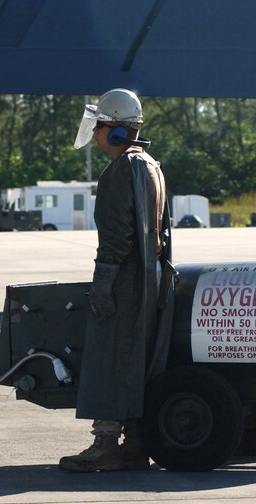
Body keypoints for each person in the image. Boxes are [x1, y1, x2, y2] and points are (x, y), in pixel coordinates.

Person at [59, 88, 167, 473]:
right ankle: (136, 445)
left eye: (101, 127)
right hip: (148, 279)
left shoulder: (121, 169)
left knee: (108, 358)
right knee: (135, 360)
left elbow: (116, 237)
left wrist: (103, 284)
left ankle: (105, 443)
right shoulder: (151, 165)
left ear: (118, 131)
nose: (97, 135)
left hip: (124, 280)